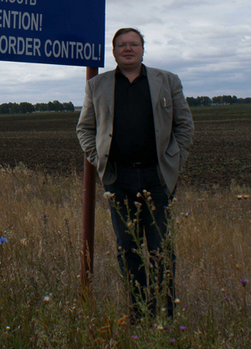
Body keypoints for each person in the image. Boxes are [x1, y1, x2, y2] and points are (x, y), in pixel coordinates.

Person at [77, 27, 193, 318]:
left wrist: (175, 162)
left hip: (158, 178)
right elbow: (85, 128)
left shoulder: (167, 81)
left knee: (161, 248)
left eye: (134, 44)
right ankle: (140, 312)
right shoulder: (97, 86)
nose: (128, 49)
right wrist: (98, 159)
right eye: (121, 45)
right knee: (128, 248)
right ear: (114, 51)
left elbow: (184, 126)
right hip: (119, 178)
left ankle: (166, 314)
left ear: (143, 49)